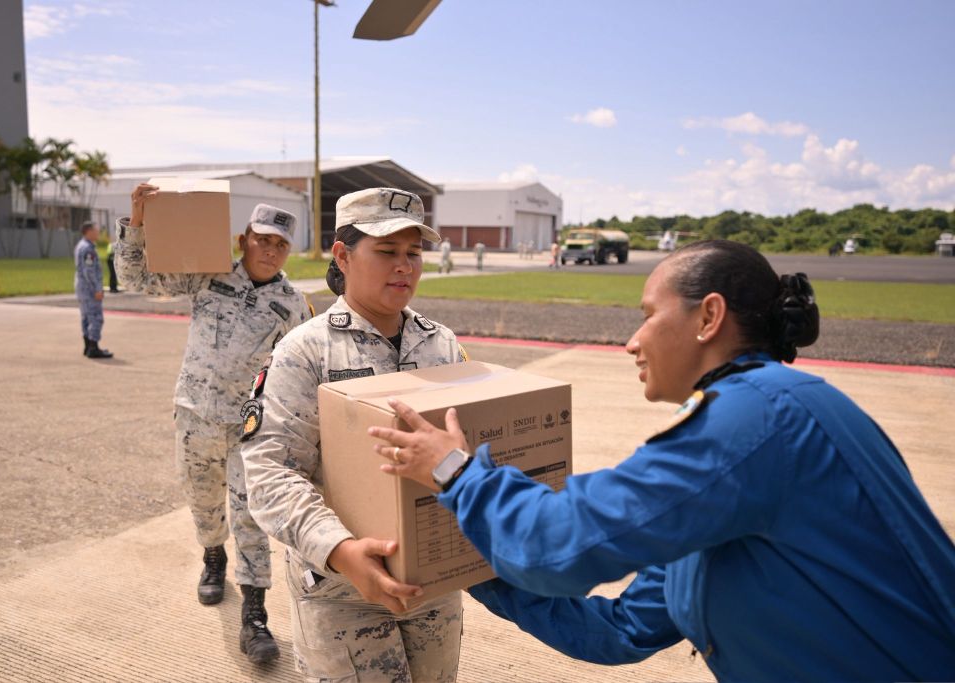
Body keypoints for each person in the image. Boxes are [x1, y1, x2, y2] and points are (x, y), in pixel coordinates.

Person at [370, 239, 955, 682]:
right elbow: (621, 630)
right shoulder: (760, 427)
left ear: (709, 318)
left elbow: (557, 548)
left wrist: (457, 473)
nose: (632, 341)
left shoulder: (752, 424)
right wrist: (473, 571)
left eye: (648, 314)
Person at [240, 187, 468, 682]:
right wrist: (340, 551)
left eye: (414, 253)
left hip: (433, 584)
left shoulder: (442, 344)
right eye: (387, 252)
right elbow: (269, 471)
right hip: (341, 591)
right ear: (342, 254)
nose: (404, 266)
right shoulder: (305, 352)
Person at [116, 186, 313, 665]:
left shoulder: (292, 304)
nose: (270, 250)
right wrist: (137, 222)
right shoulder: (208, 276)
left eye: (280, 244)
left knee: (251, 518)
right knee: (204, 504)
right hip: (195, 416)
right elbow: (135, 279)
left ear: (289, 251)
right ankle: (212, 555)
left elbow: (303, 372)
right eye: (262, 239)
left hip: (250, 429)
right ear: (244, 238)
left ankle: (255, 615)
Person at [74, 220, 113, 359]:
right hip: (89, 289)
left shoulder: (81, 246)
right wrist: (97, 289)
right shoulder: (88, 249)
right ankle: (93, 348)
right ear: (89, 231)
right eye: (96, 230)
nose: (98, 232)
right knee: (96, 318)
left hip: (82, 288)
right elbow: (89, 272)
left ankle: (87, 346)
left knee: (86, 317)